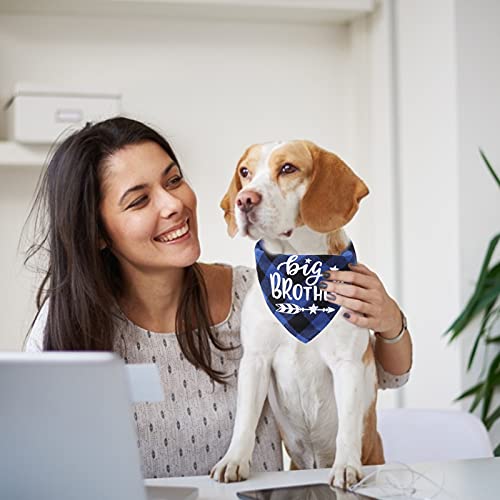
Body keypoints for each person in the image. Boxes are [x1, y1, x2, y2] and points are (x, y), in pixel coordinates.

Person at [24, 117, 413, 479]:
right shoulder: (66, 326)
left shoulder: (258, 293)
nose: (173, 204)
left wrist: (391, 323)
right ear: (98, 233)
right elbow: (36, 463)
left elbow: (383, 377)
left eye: (173, 180)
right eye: (139, 200)